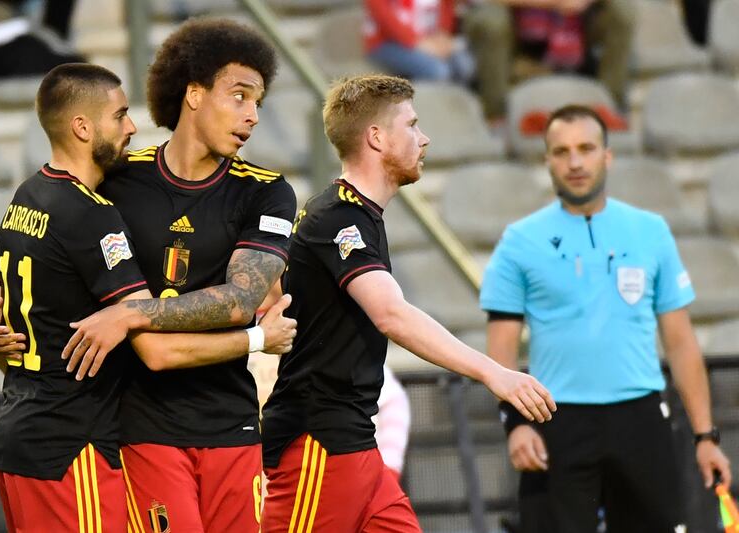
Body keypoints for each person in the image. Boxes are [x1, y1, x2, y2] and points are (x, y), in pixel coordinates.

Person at [0, 62, 296, 532]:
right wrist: (257, 340)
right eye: (121, 114)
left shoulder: (28, 195)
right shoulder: (100, 205)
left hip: (30, 430)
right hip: (83, 441)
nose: (131, 126)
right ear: (194, 94)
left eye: (258, 102)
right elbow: (156, 351)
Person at [260, 74, 555, 533]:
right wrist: (494, 371)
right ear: (377, 137)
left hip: (355, 440)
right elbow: (391, 314)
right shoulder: (336, 218)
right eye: (413, 124)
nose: (425, 138)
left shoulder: (357, 215)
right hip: (317, 440)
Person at [59, 18, 297, 533]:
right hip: (143, 427)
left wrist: (130, 314)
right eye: (239, 96)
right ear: (193, 92)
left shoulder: (267, 191)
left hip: (233, 424)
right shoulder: (119, 181)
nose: (252, 115)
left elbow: (241, 299)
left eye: (258, 102)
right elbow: (52, 234)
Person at [480, 104, 732, 533]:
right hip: (554, 421)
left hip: (640, 419)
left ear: (607, 156)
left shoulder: (650, 231)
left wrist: (705, 437)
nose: (574, 162)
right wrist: (517, 425)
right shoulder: (519, 241)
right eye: (561, 151)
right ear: (547, 162)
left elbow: (681, 342)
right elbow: (500, 347)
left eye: (586, 148)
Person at [462, 0, 633, 121]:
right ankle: (497, 115)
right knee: (491, 21)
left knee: (621, 9)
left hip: (577, 20)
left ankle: (609, 107)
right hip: (511, 20)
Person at [364, 0, 476, 83]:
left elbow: (445, 6)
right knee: (438, 71)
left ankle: (455, 108)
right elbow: (384, 18)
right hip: (386, 42)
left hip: (430, 38)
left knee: (465, 65)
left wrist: (442, 34)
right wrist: (419, 43)